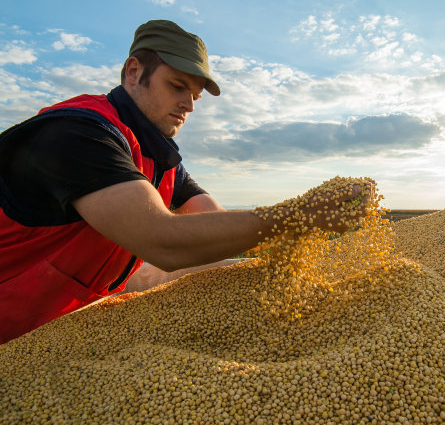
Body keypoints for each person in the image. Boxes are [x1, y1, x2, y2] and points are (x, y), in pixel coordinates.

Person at [0, 20, 366, 343]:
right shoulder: (79, 133)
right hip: (15, 327)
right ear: (133, 71)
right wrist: (295, 214)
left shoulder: (159, 155)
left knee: (235, 271)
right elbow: (164, 242)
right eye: (177, 86)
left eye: (194, 95)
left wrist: (296, 232)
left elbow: (215, 224)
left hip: (71, 311)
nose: (189, 104)